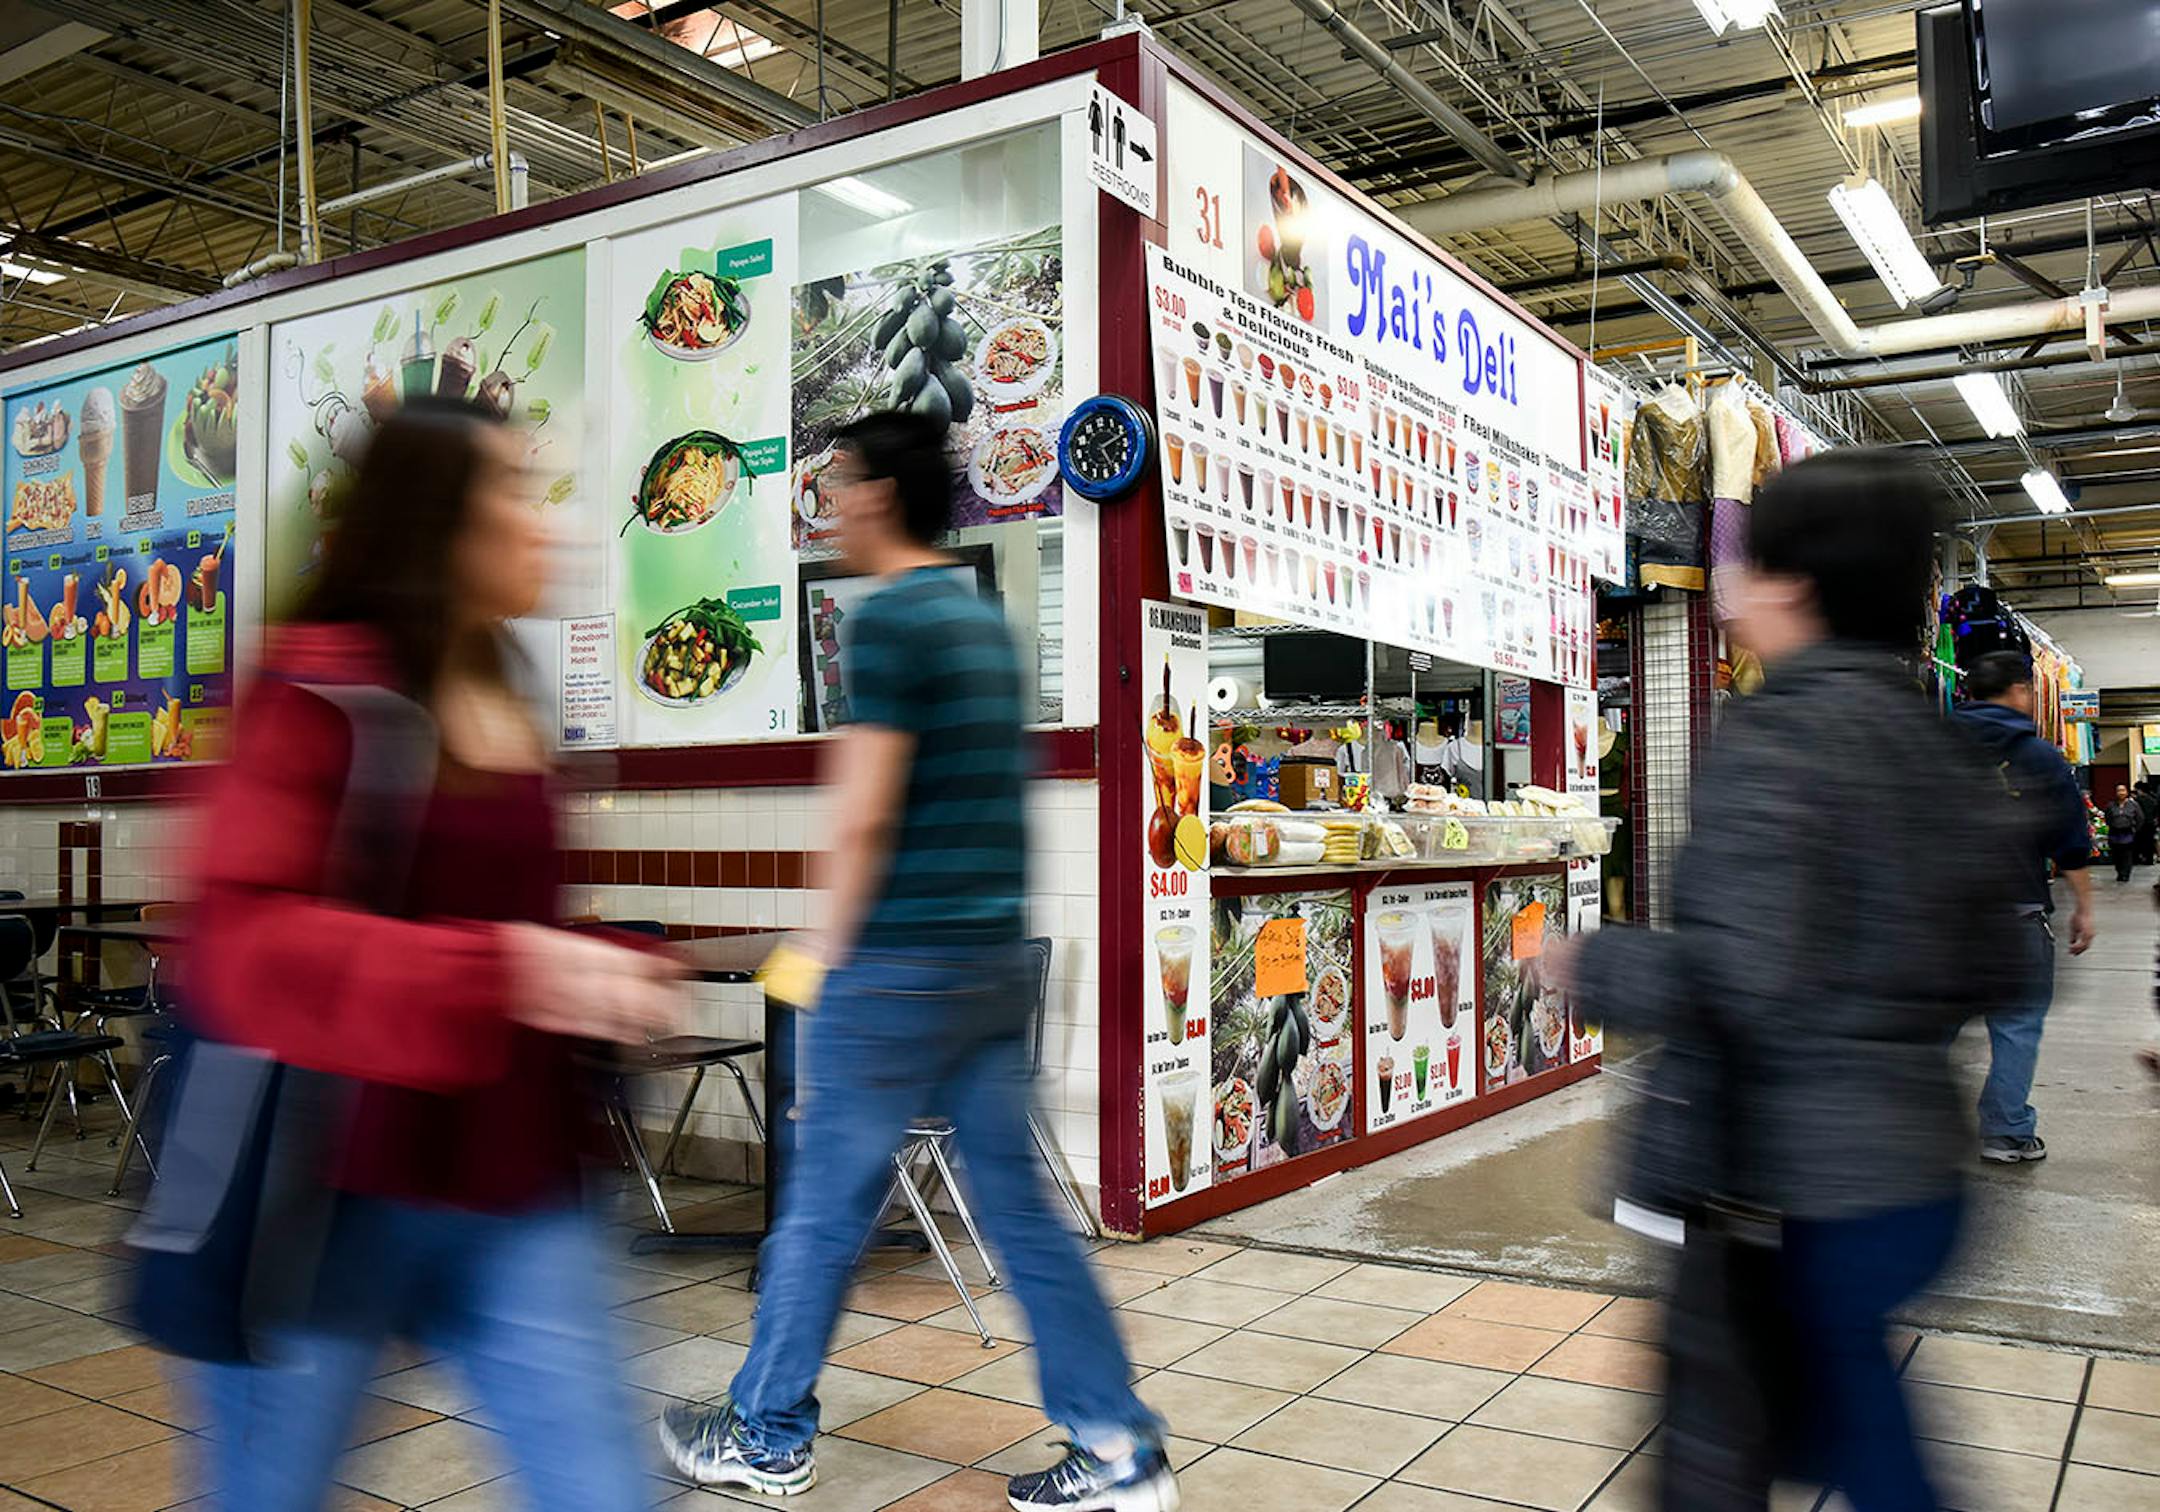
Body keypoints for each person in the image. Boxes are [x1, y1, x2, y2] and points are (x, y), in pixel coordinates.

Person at [659, 412, 1176, 1511]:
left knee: (821, 1212)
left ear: (880, 494)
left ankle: (764, 1433)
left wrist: (819, 956)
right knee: (1023, 1218)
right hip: (988, 964)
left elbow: (864, 816)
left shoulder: (887, 622)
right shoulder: (983, 626)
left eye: (836, 482)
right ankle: (1121, 1447)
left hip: (895, 969)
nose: (827, 502)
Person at [188, 399, 683, 1512]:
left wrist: (588, 965)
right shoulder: (320, 691)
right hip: (330, 1188)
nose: (541, 521)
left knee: (606, 1490)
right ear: (435, 525)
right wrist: (508, 971)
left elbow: (499, 910)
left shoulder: (508, 685)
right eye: (512, 491)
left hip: (522, 1180)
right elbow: (247, 944)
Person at [1549, 451, 2021, 1512]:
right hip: (1919, 1174)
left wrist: (1595, 961)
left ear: (1796, 588)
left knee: (1744, 1436)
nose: (1730, 594)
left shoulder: (1781, 735)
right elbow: (2002, 956)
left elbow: (1739, 978)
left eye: (1748, 567)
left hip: (1800, 1182)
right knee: (1859, 1415)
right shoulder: (1932, 742)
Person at [1953, 650, 2095, 1164]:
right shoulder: (2039, 757)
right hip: (2015, 912)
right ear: (2018, 692)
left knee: (1929, 1024)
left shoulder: (1928, 747)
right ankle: (2006, 1131)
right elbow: (2069, 842)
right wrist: (2084, 907)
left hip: (1939, 915)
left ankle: (1898, 1130)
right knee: (2016, 1023)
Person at [2106, 784, 2143, 883]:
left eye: (2123, 790)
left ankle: (2125, 874)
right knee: (2116, 855)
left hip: (2128, 833)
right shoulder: (2111, 805)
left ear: (2127, 792)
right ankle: (2119, 872)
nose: (2121, 793)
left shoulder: (2133, 805)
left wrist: (2135, 829)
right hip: (2115, 833)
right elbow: (2108, 818)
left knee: (2127, 855)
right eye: (2119, 790)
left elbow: (2140, 818)